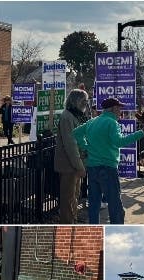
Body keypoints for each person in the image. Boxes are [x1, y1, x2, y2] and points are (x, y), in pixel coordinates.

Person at [76, 96, 144, 225]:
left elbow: (76, 133)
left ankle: (94, 229)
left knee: (94, 204)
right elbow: (119, 142)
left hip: (92, 167)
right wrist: (141, 133)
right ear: (113, 108)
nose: (121, 111)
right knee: (115, 206)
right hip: (108, 168)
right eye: (119, 108)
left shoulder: (92, 121)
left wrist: (85, 147)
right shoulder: (112, 123)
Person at [55, 88, 90, 224]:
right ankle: (68, 223)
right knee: (68, 199)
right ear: (76, 100)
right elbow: (70, 145)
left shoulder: (76, 115)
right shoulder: (67, 117)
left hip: (76, 164)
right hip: (69, 165)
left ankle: (73, 220)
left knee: (75, 196)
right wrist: (80, 166)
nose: (86, 103)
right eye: (84, 100)